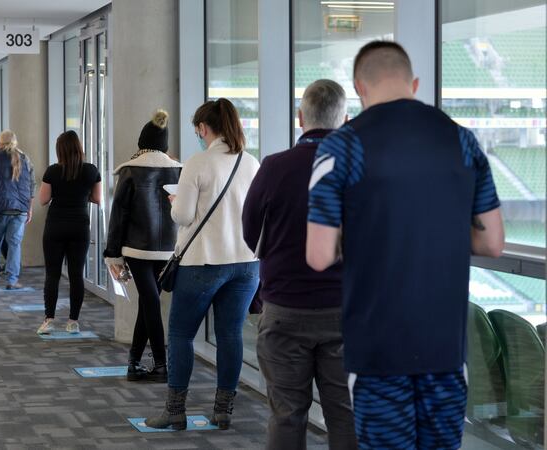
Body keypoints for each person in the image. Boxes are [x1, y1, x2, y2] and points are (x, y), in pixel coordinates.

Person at [306, 41, 504, 449]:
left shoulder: (341, 146)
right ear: (414, 83)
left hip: (378, 349)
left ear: (360, 87)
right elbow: (492, 241)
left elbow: (319, 254)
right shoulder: (463, 141)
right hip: (445, 348)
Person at [243, 80, 356, 450]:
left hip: (285, 310)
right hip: (346, 312)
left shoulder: (274, 167)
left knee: (287, 414)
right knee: (346, 414)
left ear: (300, 117)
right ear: (346, 119)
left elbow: (250, 232)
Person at [145, 98, 260, 431]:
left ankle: (175, 411)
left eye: (197, 128)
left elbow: (182, 216)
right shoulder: (251, 163)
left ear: (203, 128)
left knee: (181, 334)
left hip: (204, 263)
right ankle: (224, 411)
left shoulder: (198, 162)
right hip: (246, 264)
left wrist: (175, 202)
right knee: (230, 335)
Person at [103, 110, 181, 383]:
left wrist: (112, 254)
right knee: (150, 302)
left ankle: (158, 363)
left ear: (141, 142)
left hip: (136, 249)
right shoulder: (179, 169)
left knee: (149, 303)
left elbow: (119, 215)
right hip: (170, 250)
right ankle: (136, 363)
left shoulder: (130, 170)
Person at [37, 130, 101, 335]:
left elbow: (43, 200)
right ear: (79, 148)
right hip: (79, 227)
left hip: (55, 226)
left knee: (52, 274)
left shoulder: (52, 171)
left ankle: (49, 319)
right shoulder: (91, 171)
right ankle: (73, 321)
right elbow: (98, 198)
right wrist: (81, 196)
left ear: (60, 150)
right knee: (76, 275)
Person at [0, 130, 36, 289]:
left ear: (0, 142)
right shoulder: (25, 159)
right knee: (15, 244)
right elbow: (32, 185)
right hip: (19, 209)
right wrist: (29, 208)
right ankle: (12, 279)